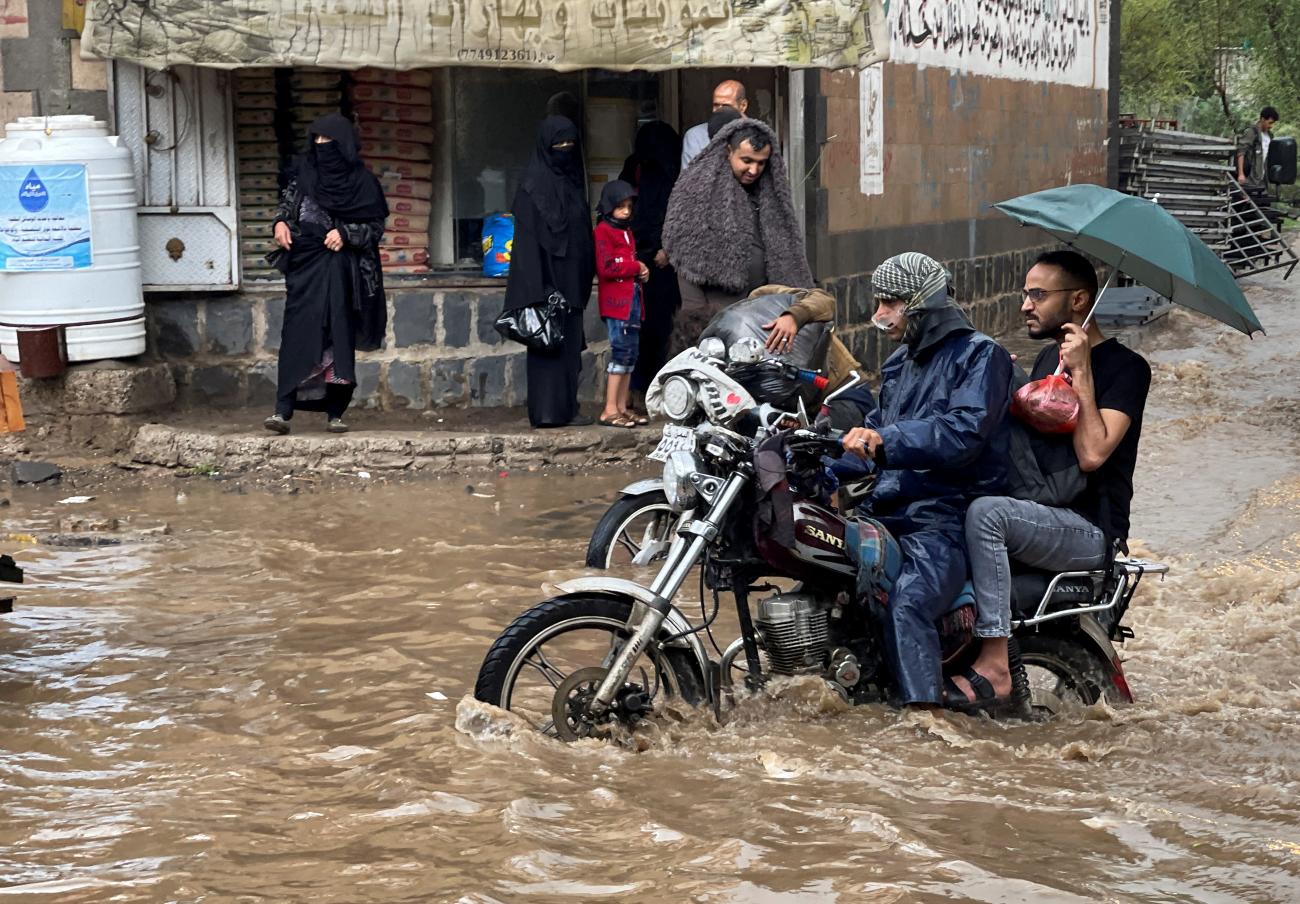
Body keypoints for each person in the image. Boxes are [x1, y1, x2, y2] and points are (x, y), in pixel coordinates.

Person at [956, 250, 1151, 710]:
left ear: (1080, 300)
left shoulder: (1128, 369)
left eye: (1038, 295)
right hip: (1040, 510)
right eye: (1027, 294)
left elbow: (1092, 454)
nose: (1025, 305)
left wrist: (1083, 371)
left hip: (1087, 527)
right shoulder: (1048, 356)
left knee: (987, 516)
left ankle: (995, 662)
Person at [838, 252, 1012, 708]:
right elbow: (873, 436)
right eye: (878, 303)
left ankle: (923, 719)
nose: (878, 315)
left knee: (910, 601)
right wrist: (821, 452)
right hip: (887, 511)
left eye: (889, 303)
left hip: (944, 517)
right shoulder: (899, 364)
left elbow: (963, 431)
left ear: (921, 303)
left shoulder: (982, 355)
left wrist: (882, 439)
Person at [265, 113, 388, 436]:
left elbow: (375, 227)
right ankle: (282, 410)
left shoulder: (363, 183)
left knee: (337, 333)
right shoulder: (303, 174)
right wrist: (279, 224)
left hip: (342, 271)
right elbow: (286, 207)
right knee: (297, 333)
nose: (321, 146)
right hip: (304, 267)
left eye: (328, 141)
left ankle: (335, 412)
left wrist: (346, 233)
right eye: (316, 140)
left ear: (343, 144)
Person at [662, 118, 813, 358]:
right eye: (746, 161)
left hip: (762, 323)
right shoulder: (694, 193)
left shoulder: (770, 198)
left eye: (761, 163)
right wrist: (698, 325)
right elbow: (683, 257)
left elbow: (787, 252)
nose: (753, 170)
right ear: (728, 151)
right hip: (712, 329)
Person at [504, 115, 597, 429]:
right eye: (558, 145)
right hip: (546, 282)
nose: (565, 150)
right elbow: (528, 247)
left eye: (570, 144)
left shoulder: (572, 184)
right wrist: (541, 287)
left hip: (572, 281)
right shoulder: (532, 188)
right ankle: (546, 412)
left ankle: (568, 408)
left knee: (569, 348)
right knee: (547, 345)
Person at [618, 121, 682, 408]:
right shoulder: (657, 169)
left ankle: (643, 391)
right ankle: (641, 391)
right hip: (650, 263)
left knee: (646, 329)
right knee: (649, 329)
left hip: (650, 261)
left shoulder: (641, 168)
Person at [593, 180, 650, 428]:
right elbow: (606, 267)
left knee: (630, 355)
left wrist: (641, 270)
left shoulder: (626, 232)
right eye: (620, 207)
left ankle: (622, 407)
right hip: (617, 303)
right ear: (608, 207)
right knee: (620, 354)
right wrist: (636, 267)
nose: (626, 212)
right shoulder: (603, 231)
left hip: (632, 301)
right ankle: (609, 409)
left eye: (628, 206)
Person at [681, 79, 748, 169]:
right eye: (716, 105)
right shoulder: (696, 136)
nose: (719, 110)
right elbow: (689, 179)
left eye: (726, 106)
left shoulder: (757, 134)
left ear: (743, 106)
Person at [1236, 106, 1280, 191]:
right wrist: (1241, 174)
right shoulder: (1251, 132)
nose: (1271, 126)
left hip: (1263, 180)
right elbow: (1241, 152)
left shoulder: (1270, 136)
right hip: (1250, 179)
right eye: (1270, 123)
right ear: (1262, 119)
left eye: (1273, 123)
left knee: (1263, 203)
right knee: (1248, 202)